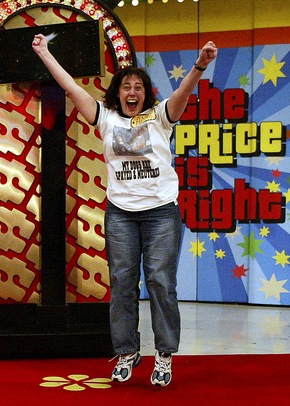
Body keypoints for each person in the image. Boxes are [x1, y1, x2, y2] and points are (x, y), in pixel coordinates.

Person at [32, 34, 217, 387]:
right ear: (117, 93)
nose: (132, 92)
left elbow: (181, 95)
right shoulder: (106, 118)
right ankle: (127, 351)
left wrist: (200, 66)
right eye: (126, 87)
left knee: (162, 283)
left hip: (161, 213)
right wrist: (44, 53)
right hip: (121, 214)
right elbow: (71, 87)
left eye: (138, 87)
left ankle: (163, 355)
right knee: (122, 284)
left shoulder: (161, 117)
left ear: (146, 94)